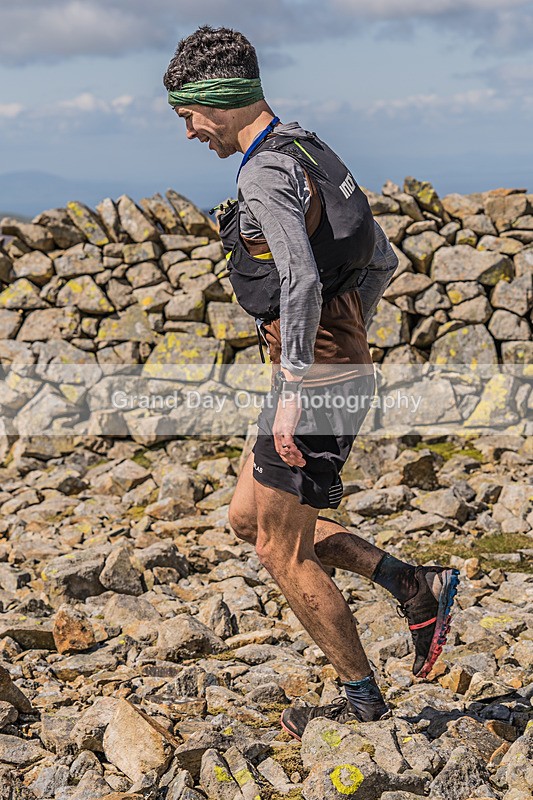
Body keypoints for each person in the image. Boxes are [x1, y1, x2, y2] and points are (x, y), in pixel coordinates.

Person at [164, 25, 459, 740]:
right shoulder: (307, 147)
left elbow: (295, 276)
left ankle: (363, 711)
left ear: (218, 99)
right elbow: (379, 257)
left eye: (188, 115)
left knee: (278, 548)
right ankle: (407, 583)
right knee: (246, 517)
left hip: (312, 378)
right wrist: (345, 338)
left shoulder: (263, 171)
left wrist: (301, 382)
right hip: (330, 366)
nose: (189, 132)